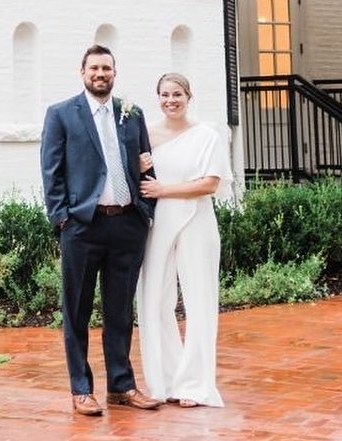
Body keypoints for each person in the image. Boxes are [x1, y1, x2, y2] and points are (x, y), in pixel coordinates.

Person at [40, 44, 162, 417]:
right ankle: (81, 389)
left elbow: (145, 165)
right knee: (76, 311)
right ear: (82, 72)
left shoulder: (132, 113)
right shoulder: (62, 114)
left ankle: (122, 386)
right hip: (82, 226)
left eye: (106, 68)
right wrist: (62, 218)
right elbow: (51, 170)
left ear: (114, 72)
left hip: (127, 225)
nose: (100, 74)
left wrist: (146, 211)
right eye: (94, 68)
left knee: (120, 311)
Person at [136, 71, 231, 408]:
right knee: (154, 298)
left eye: (177, 94)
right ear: (157, 97)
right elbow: (130, 180)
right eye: (164, 95)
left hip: (197, 220)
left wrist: (165, 189)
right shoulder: (144, 134)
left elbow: (210, 183)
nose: (170, 100)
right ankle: (165, 379)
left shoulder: (207, 135)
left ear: (189, 97)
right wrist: (139, 166)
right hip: (157, 224)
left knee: (199, 299)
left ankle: (195, 384)